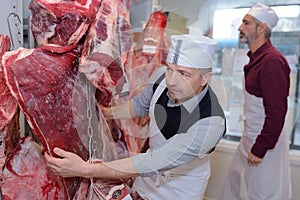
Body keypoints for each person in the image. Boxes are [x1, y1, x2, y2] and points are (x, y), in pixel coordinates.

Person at [45, 34, 226, 199]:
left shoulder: (211, 122)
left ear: (205, 78)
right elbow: (139, 106)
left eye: (184, 74)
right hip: (146, 180)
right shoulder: (161, 78)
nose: (171, 81)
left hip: (180, 188)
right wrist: (106, 114)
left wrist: (85, 169)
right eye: (170, 69)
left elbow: (155, 162)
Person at [221, 3, 292, 200]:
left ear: (262, 28)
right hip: (250, 136)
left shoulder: (272, 61)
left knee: (262, 192)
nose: (239, 28)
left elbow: (277, 112)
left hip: (266, 142)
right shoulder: (256, 58)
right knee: (236, 185)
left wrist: (260, 147)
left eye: (246, 23)